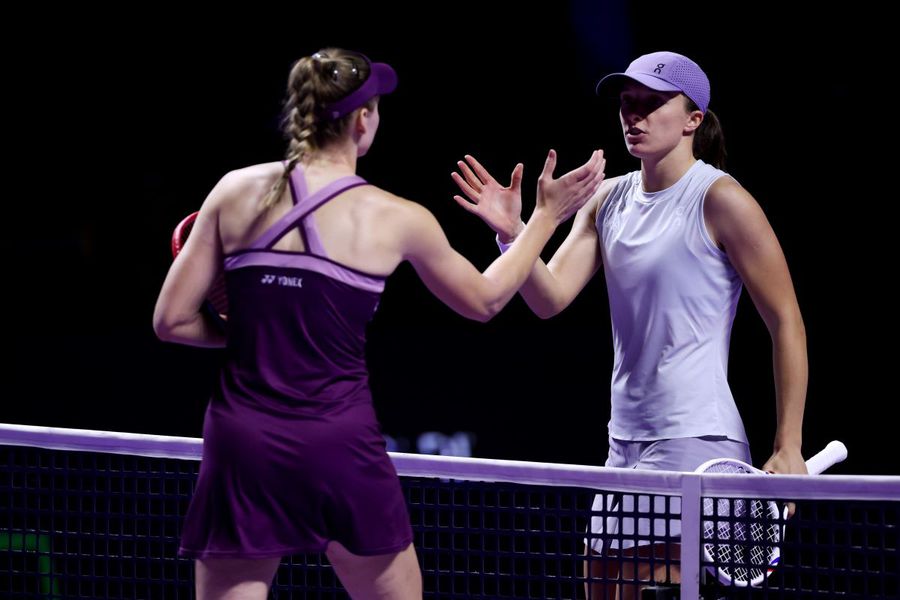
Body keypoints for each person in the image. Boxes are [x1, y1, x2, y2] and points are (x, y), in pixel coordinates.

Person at [152, 47, 605, 600]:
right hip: (338, 443)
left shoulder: (233, 190)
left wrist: (255, 332)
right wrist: (543, 219)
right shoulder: (397, 217)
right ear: (363, 120)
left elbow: (171, 321)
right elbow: (484, 301)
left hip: (244, 441)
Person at [452, 50, 808, 598]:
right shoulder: (607, 198)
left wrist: (789, 444)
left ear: (693, 119)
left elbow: (786, 320)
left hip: (695, 438)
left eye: (651, 103)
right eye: (627, 102)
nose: (633, 115)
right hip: (623, 443)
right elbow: (550, 298)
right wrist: (514, 231)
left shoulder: (721, 199)